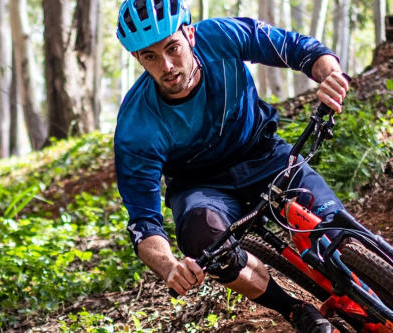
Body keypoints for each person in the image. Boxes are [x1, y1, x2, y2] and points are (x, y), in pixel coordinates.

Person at [113, 1, 351, 332]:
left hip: (264, 155)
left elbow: (301, 50)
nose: (166, 65)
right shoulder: (136, 127)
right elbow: (143, 223)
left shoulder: (222, 36)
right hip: (202, 188)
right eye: (150, 56)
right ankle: (294, 310)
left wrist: (331, 76)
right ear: (138, 58)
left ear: (190, 35)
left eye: (172, 48)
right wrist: (168, 266)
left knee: (336, 233)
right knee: (201, 234)